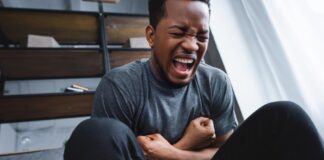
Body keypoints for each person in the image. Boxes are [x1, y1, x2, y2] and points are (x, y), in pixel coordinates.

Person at [64, 0, 324, 160]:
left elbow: (222, 153)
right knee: (95, 133)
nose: (191, 45)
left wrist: (172, 153)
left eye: (201, 36)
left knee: (285, 116)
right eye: (179, 33)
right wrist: (189, 144)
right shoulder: (121, 86)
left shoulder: (216, 82)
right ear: (151, 36)